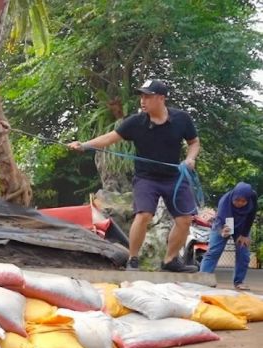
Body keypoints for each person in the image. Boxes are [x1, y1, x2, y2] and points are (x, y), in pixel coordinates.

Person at [68, 79, 201, 272]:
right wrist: (84, 145)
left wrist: (190, 159)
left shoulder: (182, 119)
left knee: (185, 220)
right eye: (141, 96)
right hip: (147, 178)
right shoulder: (136, 122)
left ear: (161, 98)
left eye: (148, 96)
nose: (143, 100)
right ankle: (133, 259)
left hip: (174, 177)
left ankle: (170, 260)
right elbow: (109, 138)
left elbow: (194, 142)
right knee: (144, 214)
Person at [200, 182, 258, 290]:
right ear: (233, 196)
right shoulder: (225, 201)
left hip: (242, 226)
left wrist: (244, 234)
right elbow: (222, 220)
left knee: (243, 253)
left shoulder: (252, 197)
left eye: (243, 201)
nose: (239, 203)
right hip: (224, 223)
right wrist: (223, 231)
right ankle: (204, 280)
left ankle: (239, 282)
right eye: (237, 200)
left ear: (248, 199)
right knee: (214, 251)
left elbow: (251, 214)